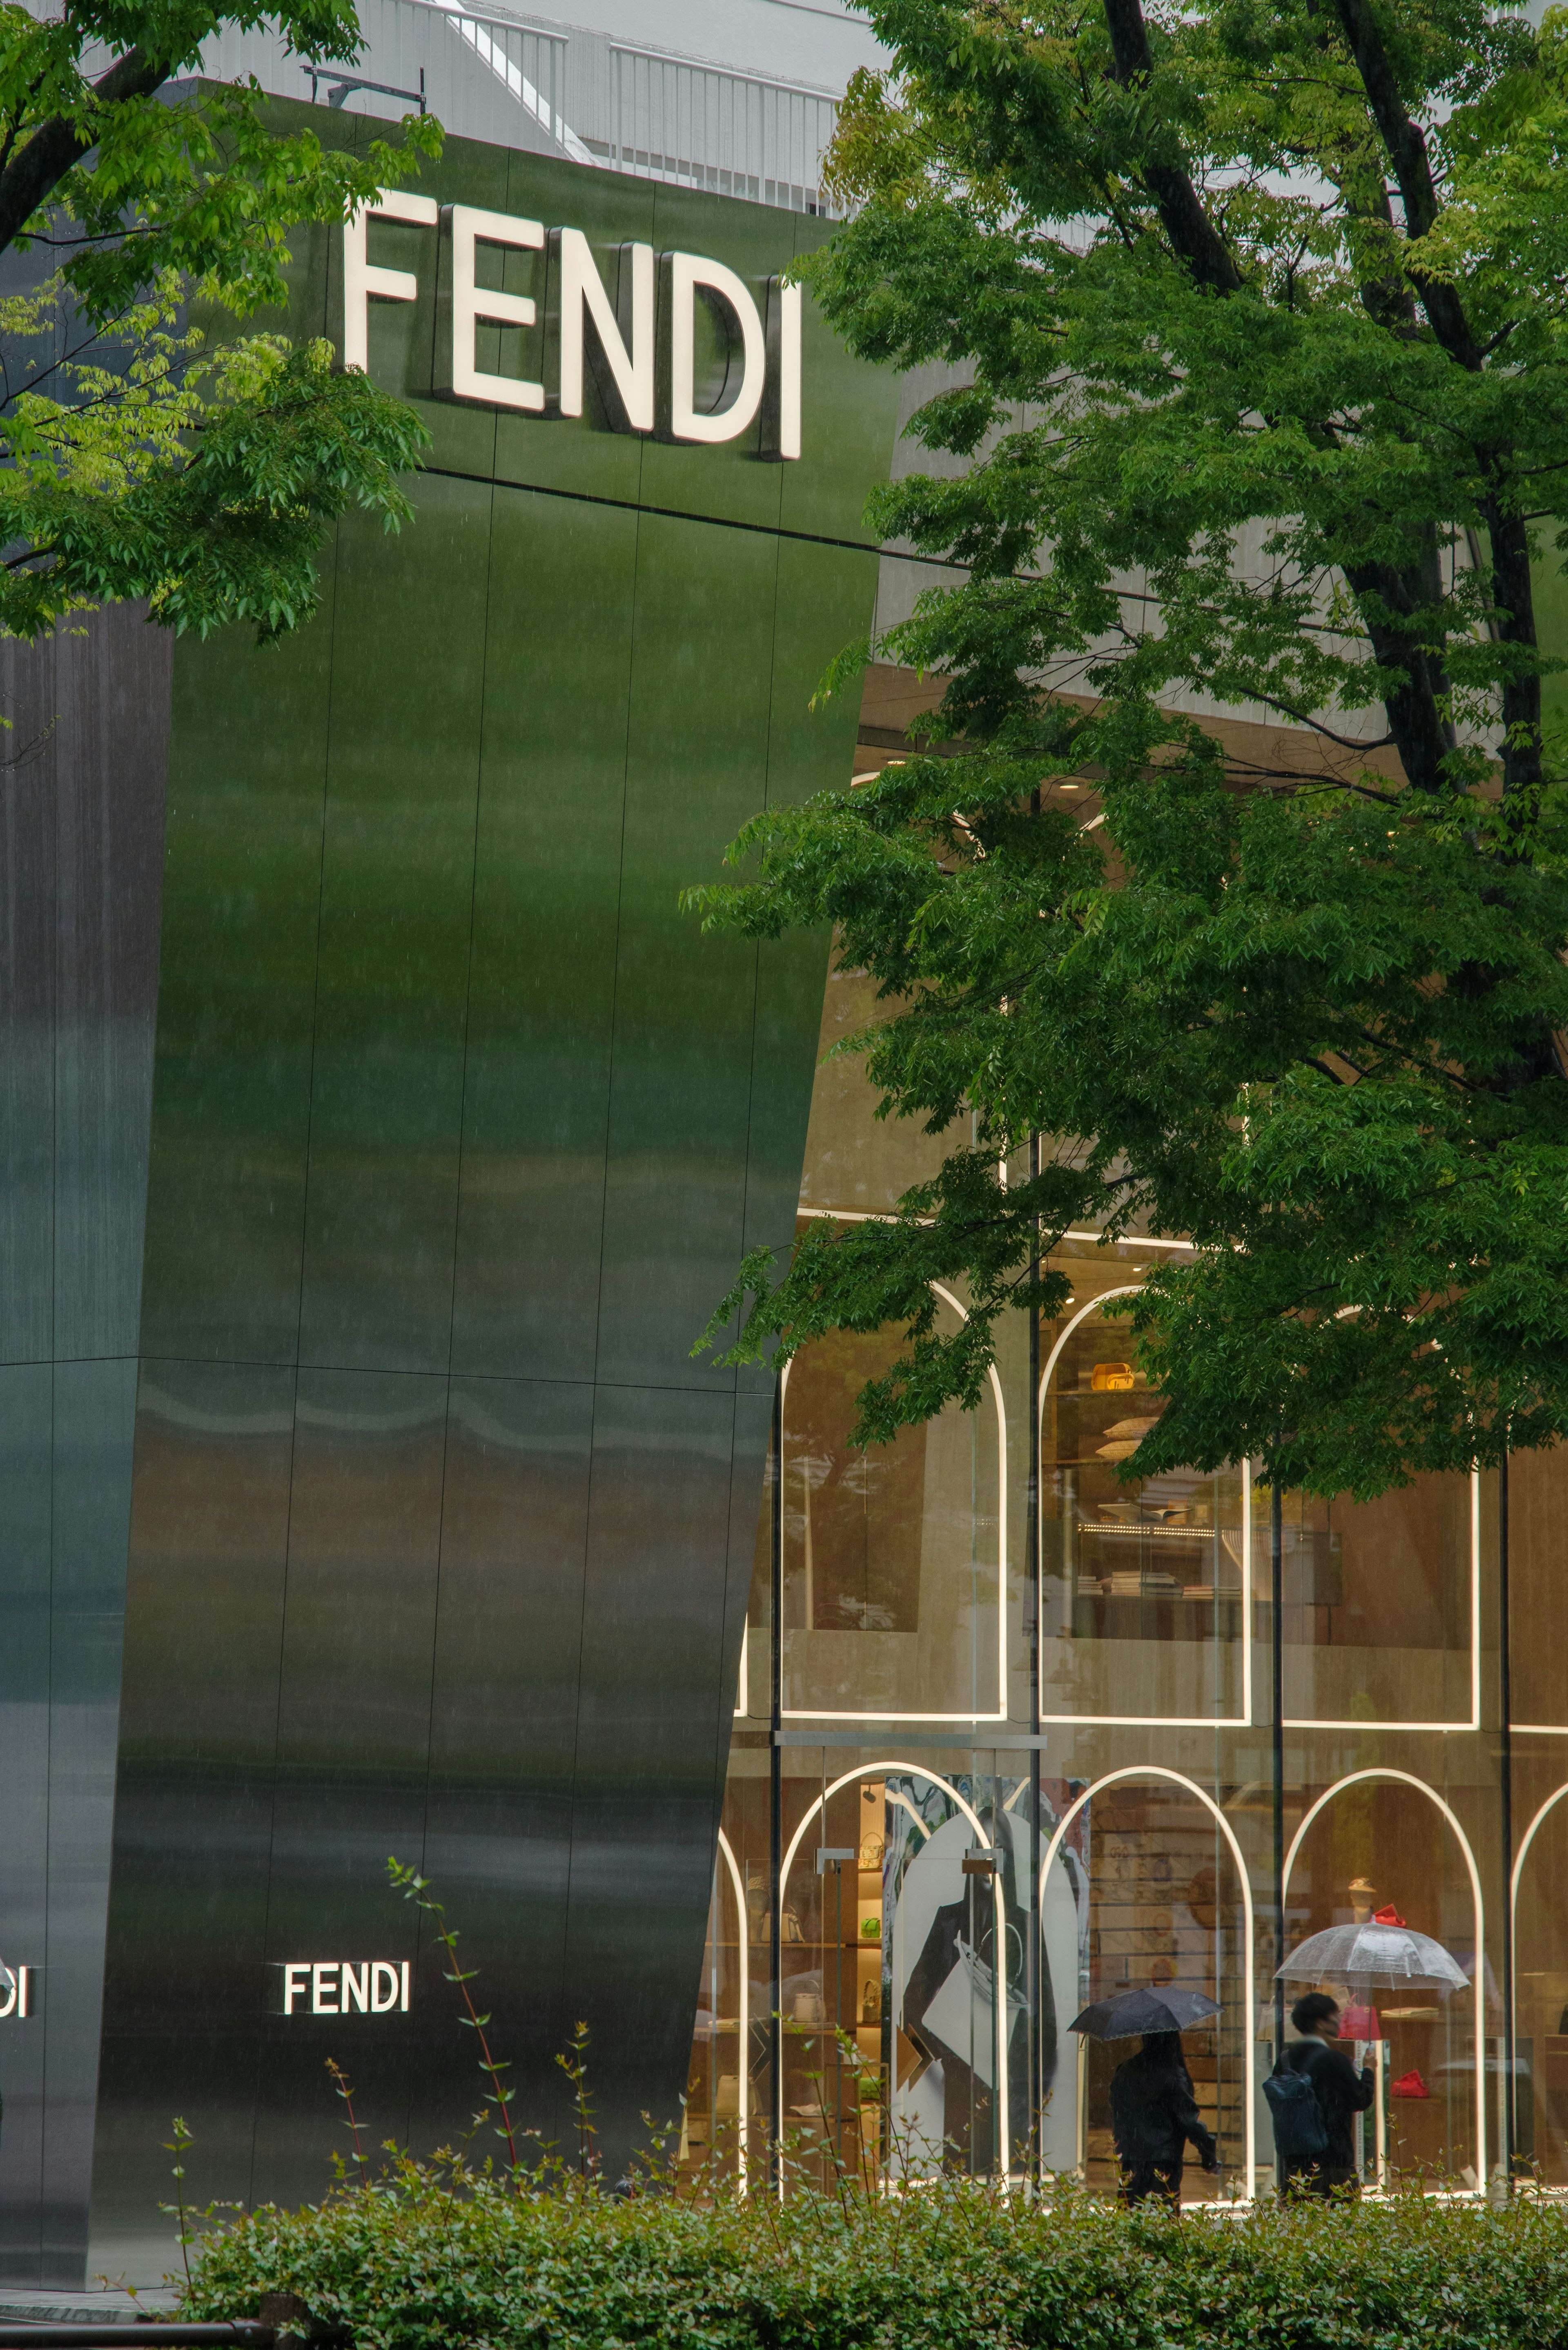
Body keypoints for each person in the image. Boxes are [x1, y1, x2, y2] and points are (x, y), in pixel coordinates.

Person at [1278, 1991, 1374, 2201]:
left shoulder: (1285, 2060)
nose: (1340, 2020)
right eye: (1335, 2015)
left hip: (1295, 2168)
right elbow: (1360, 2100)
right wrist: (1369, 2071)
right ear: (1321, 2023)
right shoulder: (1335, 2061)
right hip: (1334, 2167)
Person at [1108, 2030, 1219, 2207]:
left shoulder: (1126, 2070)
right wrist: (1209, 2155)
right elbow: (1189, 2121)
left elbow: (1118, 2112)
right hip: (1164, 2163)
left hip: (1132, 2160)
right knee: (1163, 2219)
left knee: (1131, 2219)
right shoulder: (1172, 2074)